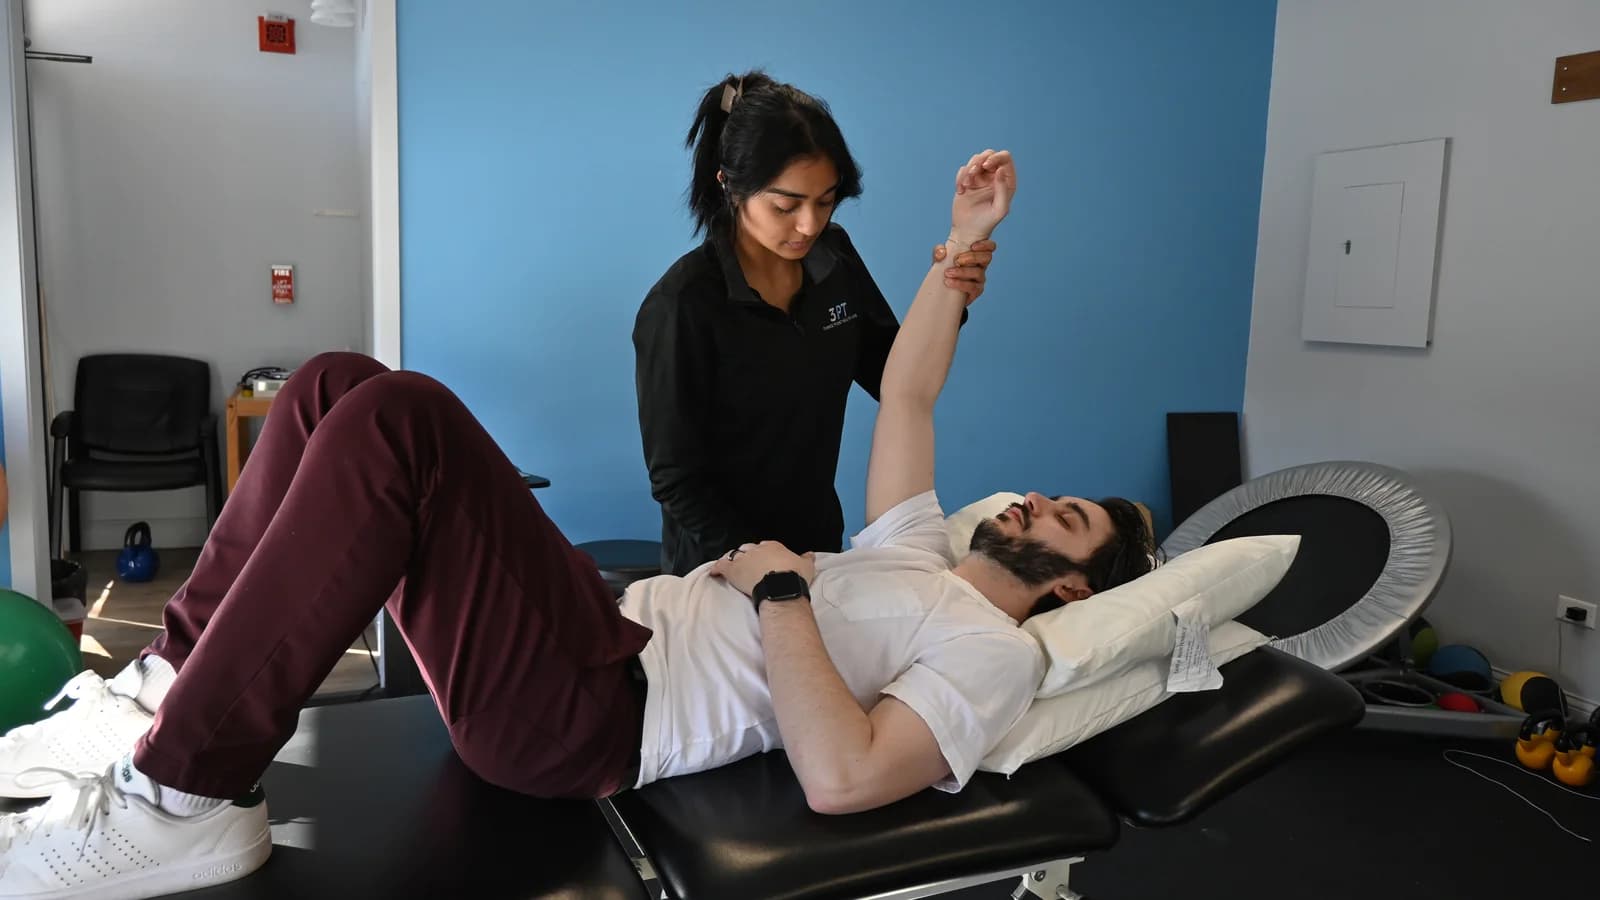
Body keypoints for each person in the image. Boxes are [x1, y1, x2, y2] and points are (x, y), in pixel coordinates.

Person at [0, 148, 1155, 899]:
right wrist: (961, 245)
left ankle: (181, 798)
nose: (1039, 503)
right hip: (599, 634)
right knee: (339, 384)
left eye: (1068, 525)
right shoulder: (919, 551)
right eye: (1053, 496)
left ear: (1068, 591)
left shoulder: (992, 650)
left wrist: (781, 590)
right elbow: (904, 392)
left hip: (593, 716)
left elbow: (846, 780)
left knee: (404, 417)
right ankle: (169, 688)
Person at [634, 70, 1000, 575]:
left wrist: (951, 294)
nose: (809, 225)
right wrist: (765, 565)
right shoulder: (681, 306)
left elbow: (892, 374)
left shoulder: (835, 260)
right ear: (729, 185)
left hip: (819, 548)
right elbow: (677, 480)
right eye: (786, 206)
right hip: (720, 568)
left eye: (825, 202)